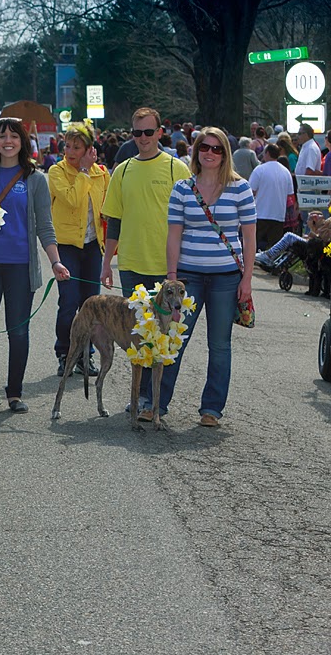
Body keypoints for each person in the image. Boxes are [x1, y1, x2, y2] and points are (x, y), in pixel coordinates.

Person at [0, 117, 70, 414]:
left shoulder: (35, 179)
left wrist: (56, 261)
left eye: (14, 136)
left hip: (21, 268)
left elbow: (45, 226)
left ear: (23, 142)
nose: (8, 141)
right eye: (2, 136)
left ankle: (14, 393)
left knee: (19, 333)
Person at [163, 127, 256, 427]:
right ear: (196, 151)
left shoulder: (240, 188)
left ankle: (211, 409)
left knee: (219, 344)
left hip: (226, 277)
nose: (210, 153)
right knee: (175, 338)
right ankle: (155, 402)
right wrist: (171, 277)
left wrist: (247, 280)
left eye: (217, 149)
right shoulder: (182, 188)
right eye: (205, 147)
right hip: (187, 277)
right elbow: (173, 236)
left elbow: (250, 240)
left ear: (225, 153)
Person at [100, 107, 185, 415]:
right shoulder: (122, 170)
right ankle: (141, 397)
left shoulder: (177, 169)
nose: (143, 138)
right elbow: (115, 221)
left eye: (149, 132)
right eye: (137, 133)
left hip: (167, 268)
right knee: (140, 336)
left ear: (160, 132)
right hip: (133, 265)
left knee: (166, 338)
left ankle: (156, 400)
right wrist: (106, 261)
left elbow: (190, 217)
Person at [48, 121, 109, 377]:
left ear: (88, 149)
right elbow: (72, 199)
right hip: (66, 246)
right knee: (69, 302)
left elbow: (106, 210)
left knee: (90, 304)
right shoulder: (56, 172)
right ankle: (65, 353)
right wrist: (83, 172)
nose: (70, 151)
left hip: (93, 245)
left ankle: (86, 356)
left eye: (77, 147)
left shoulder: (101, 174)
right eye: (67, 146)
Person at [256, 210, 331, 297]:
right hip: (315, 243)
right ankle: (271, 257)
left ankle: (269, 256)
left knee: (289, 236)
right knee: (291, 239)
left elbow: (324, 238)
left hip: (320, 247)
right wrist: (314, 225)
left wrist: (316, 230)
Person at [248, 143, 294, 250]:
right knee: (274, 248)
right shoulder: (285, 172)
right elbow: (290, 194)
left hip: (261, 214)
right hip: (278, 215)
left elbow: (251, 192)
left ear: (267, 153)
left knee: (256, 245)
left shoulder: (259, 170)